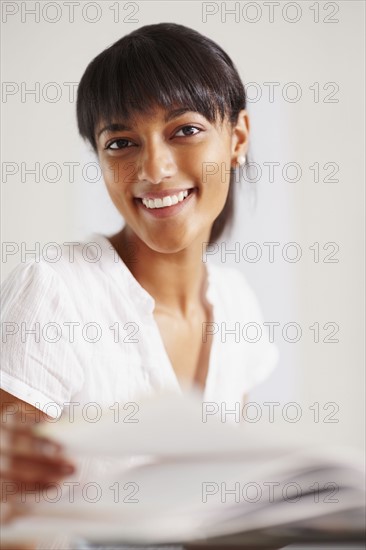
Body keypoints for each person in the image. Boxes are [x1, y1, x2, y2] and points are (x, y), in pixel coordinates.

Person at [0, 22, 278, 549]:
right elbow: (8, 515)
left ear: (237, 137)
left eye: (185, 130)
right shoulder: (55, 293)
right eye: (122, 142)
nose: (154, 168)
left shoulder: (239, 305)